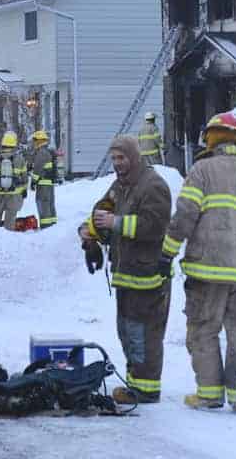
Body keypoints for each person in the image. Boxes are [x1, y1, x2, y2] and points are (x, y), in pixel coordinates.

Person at [160, 112, 236, 413]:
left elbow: (185, 215)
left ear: (210, 138)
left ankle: (209, 394)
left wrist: (167, 252)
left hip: (207, 271)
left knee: (203, 330)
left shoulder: (202, 170)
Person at [78, 135, 172, 404]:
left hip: (148, 277)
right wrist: (89, 235)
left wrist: (115, 223)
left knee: (143, 335)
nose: (117, 163)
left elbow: (154, 227)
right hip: (127, 275)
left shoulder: (153, 186)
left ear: (134, 156)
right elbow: (102, 211)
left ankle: (146, 389)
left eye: (121, 158)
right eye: (114, 158)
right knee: (128, 331)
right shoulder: (120, 185)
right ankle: (136, 383)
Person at [0, 131, 27, 231]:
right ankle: (8, 237)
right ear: (14, 145)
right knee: (10, 219)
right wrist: (24, 190)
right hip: (14, 195)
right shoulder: (20, 159)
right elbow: (24, 178)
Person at [29, 130, 58, 229]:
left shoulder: (41, 152)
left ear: (39, 141)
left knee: (43, 204)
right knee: (50, 204)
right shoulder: (48, 151)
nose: (34, 143)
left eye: (35, 141)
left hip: (43, 184)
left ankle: (46, 226)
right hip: (49, 183)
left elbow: (38, 169)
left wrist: (33, 182)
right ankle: (52, 225)